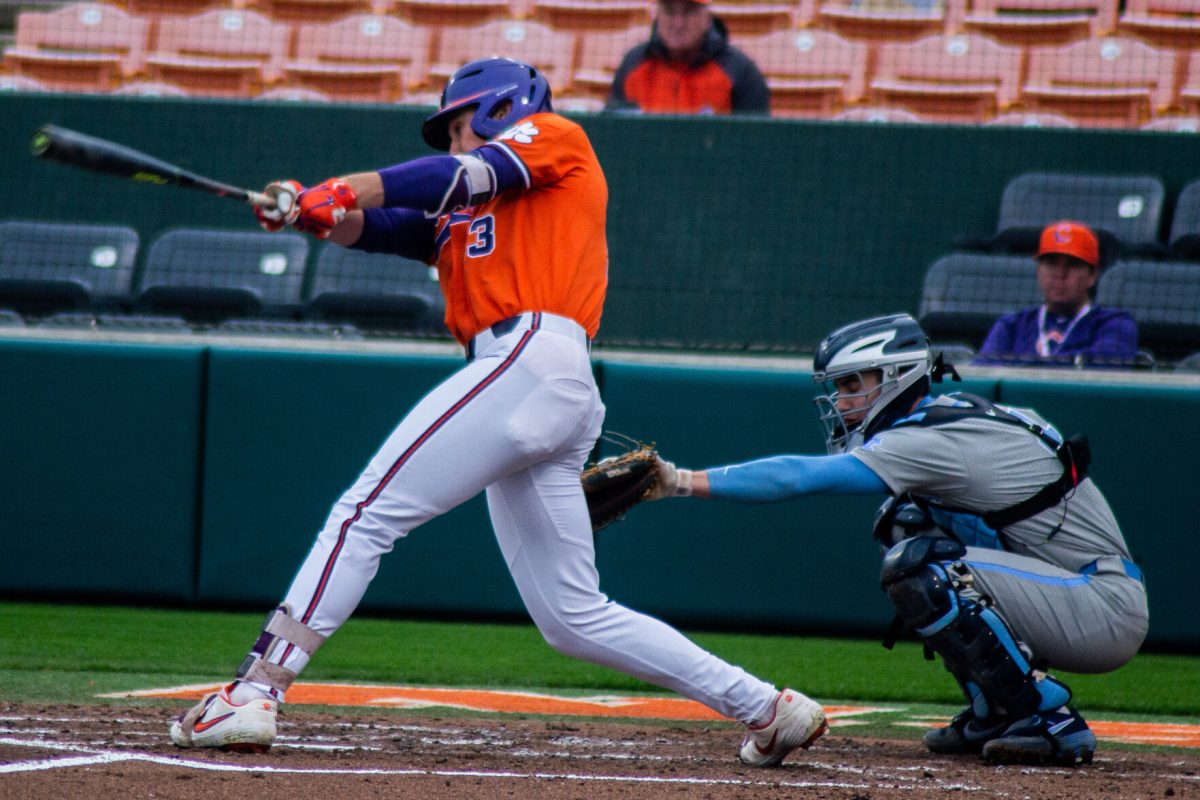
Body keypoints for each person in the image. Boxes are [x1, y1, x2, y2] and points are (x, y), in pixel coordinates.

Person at [167, 56, 826, 768]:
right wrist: (307, 212)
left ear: (500, 107)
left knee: (363, 515)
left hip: (528, 355)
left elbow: (455, 177)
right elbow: (390, 226)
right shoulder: (475, 208)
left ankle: (256, 692)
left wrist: (339, 187)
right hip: (541, 382)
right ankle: (766, 707)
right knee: (573, 617)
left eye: (458, 125)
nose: (453, 143)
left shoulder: (552, 137)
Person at [648, 313, 1148, 767]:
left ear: (894, 376)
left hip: (1102, 607)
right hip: (1070, 589)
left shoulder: (927, 438)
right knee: (904, 521)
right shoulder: (944, 414)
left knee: (923, 568)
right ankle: (995, 709)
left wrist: (682, 481)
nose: (842, 402)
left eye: (851, 385)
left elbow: (800, 477)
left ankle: (1049, 719)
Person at [974, 220, 1138, 367]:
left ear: (1092, 275)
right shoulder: (1012, 325)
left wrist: (1020, 366)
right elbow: (983, 372)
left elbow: (1104, 370)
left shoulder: (1115, 324)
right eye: (1051, 263)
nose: (1060, 273)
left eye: (1073, 264)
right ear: (1039, 270)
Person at [607, 0, 770, 115]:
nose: (678, 24)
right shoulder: (633, 64)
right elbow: (615, 132)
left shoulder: (740, 71)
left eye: (688, 12)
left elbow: (755, 145)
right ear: (656, 15)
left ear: (707, 18)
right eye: (670, 12)